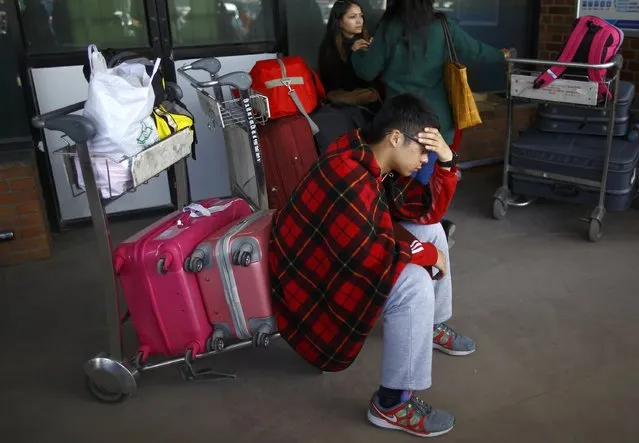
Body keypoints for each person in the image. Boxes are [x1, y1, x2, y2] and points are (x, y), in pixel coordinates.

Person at [269, 94, 474, 438]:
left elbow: (424, 212)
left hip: (342, 249)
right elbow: (366, 255)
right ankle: (391, 404)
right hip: (309, 274)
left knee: (432, 230)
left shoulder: (370, 155)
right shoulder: (348, 174)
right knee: (413, 283)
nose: (425, 159)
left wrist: (447, 161)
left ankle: (431, 325)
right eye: (423, 151)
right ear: (395, 138)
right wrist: (424, 256)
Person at [350, 0, 511, 241]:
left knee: (392, 186)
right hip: (433, 124)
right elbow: (475, 50)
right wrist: (502, 54)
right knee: (424, 185)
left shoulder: (389, 27)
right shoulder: (443, 27)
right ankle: (426, 232)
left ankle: (403, 238)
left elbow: (367, 71)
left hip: (399, 124)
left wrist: (357, 53)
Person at [317, 0, 383, 114]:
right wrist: (352, 55)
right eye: (352, 17)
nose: (359, 21)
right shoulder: (330, 47)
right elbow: (336, 84)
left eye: (361, 16)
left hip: (369, 99)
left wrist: (375, 52)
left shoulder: (366, 41)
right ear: (340, 22)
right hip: (345, 103)